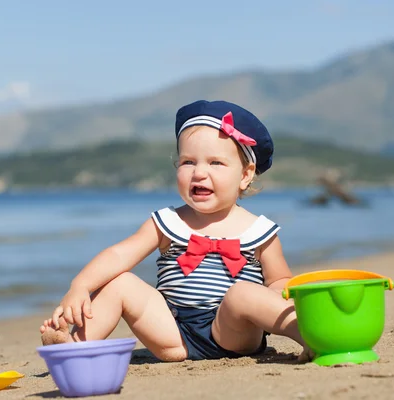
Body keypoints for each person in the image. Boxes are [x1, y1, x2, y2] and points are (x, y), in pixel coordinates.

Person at [40, 100, 312, 362]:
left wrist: (276, 294)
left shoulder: (258, 230)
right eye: (188, 162)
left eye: (215, 163)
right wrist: (80, 286)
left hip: (233, 332)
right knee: (119, 282)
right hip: (173, 333)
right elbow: (119, 254)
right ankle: (76, 347)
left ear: (245, 175)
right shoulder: (168, 222)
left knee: (243, 293)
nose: (199, 173)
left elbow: (278, 280)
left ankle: (311, 336)